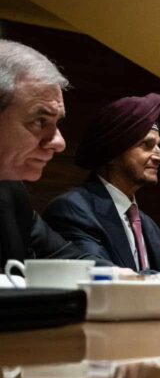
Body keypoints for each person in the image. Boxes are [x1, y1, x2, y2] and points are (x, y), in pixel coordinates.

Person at [0, 39, 106, 266]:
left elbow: (74, 261)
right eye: (40, 121)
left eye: (57, 123)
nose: (59, 143)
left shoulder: (11, 192)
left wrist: (142, 279)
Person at [44, 94, 160, 272]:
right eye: (147, 145)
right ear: (112, 153)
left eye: (158, 146)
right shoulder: (72, 210)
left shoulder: (149, 226)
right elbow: (97, 275)